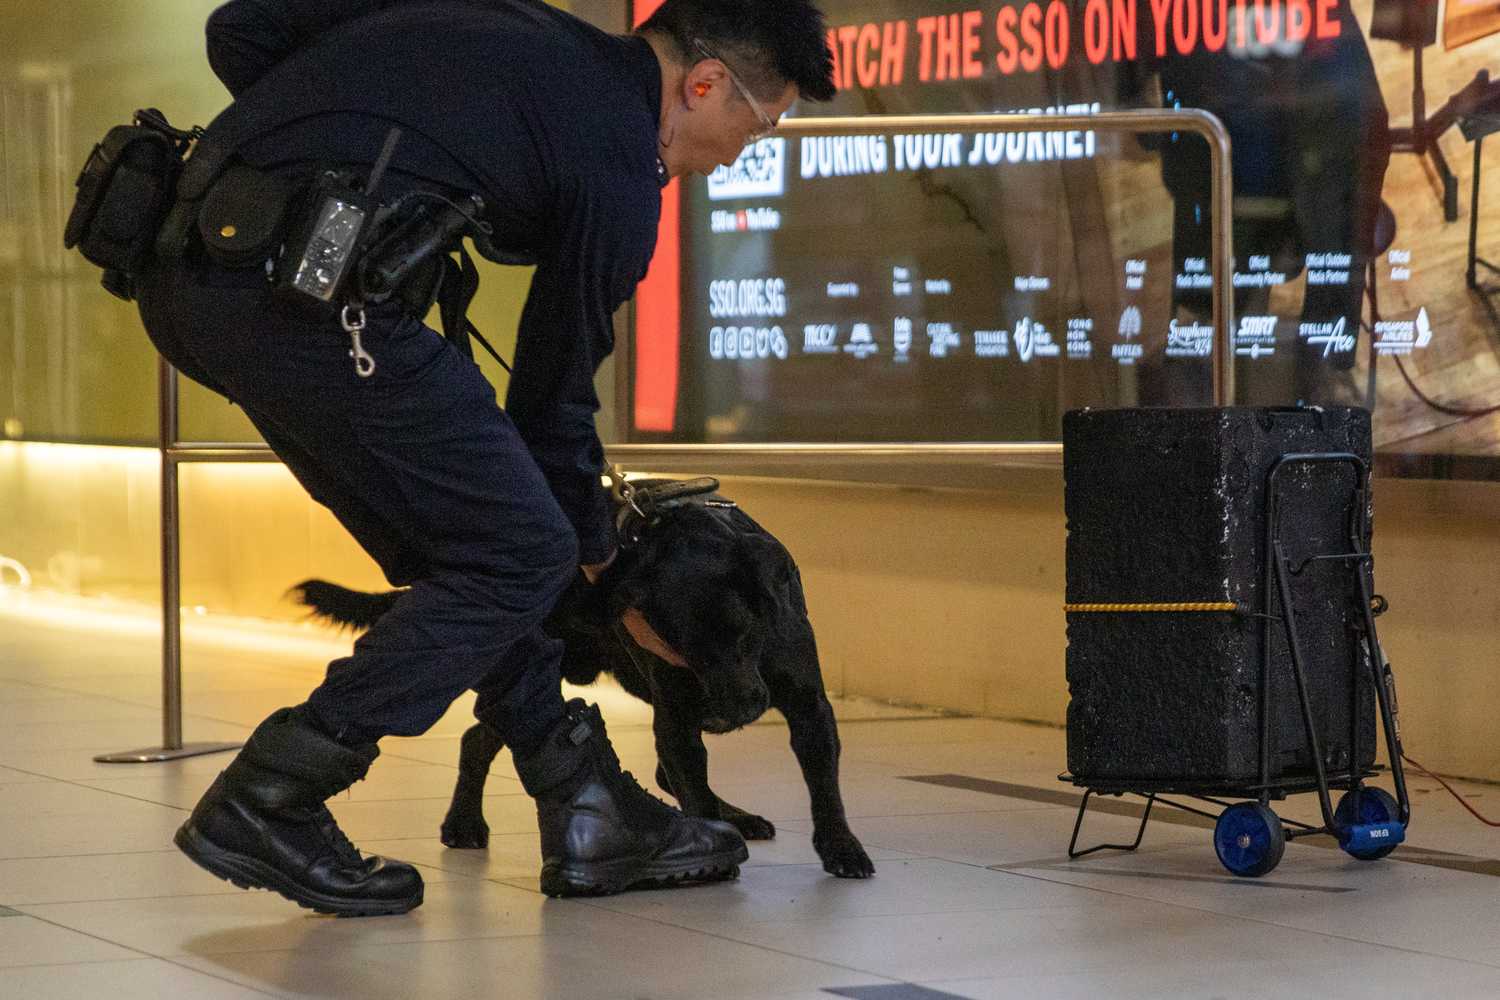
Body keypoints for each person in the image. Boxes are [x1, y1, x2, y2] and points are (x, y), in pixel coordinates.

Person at [146, 0, 835, 916]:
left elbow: (242, 28)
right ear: (704, 84)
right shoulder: (618, 162)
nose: (737, 155)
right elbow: (552, 406)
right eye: (756, 128)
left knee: (464, 549)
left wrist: (334, 158)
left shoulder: (519, 32)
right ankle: (273, 792)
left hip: (190, 273)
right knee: (523, 549)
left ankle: (582, 801)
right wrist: (604, 574)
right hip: (310, 305)